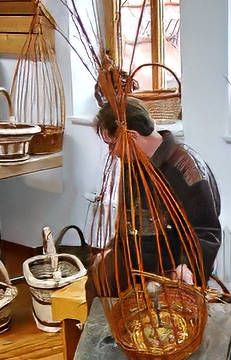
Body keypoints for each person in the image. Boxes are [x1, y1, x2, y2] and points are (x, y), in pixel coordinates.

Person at [86, 97, 222, 306]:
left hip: (172, 261)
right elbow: (129, 216)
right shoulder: (132, 162)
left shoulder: (186, 168)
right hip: (135, 254)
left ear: (132, 136)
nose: (112, 153)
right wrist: (114, 247)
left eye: (112, 145)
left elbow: (206, 231)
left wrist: (188, 266)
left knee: (161, 308)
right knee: (98, 280)